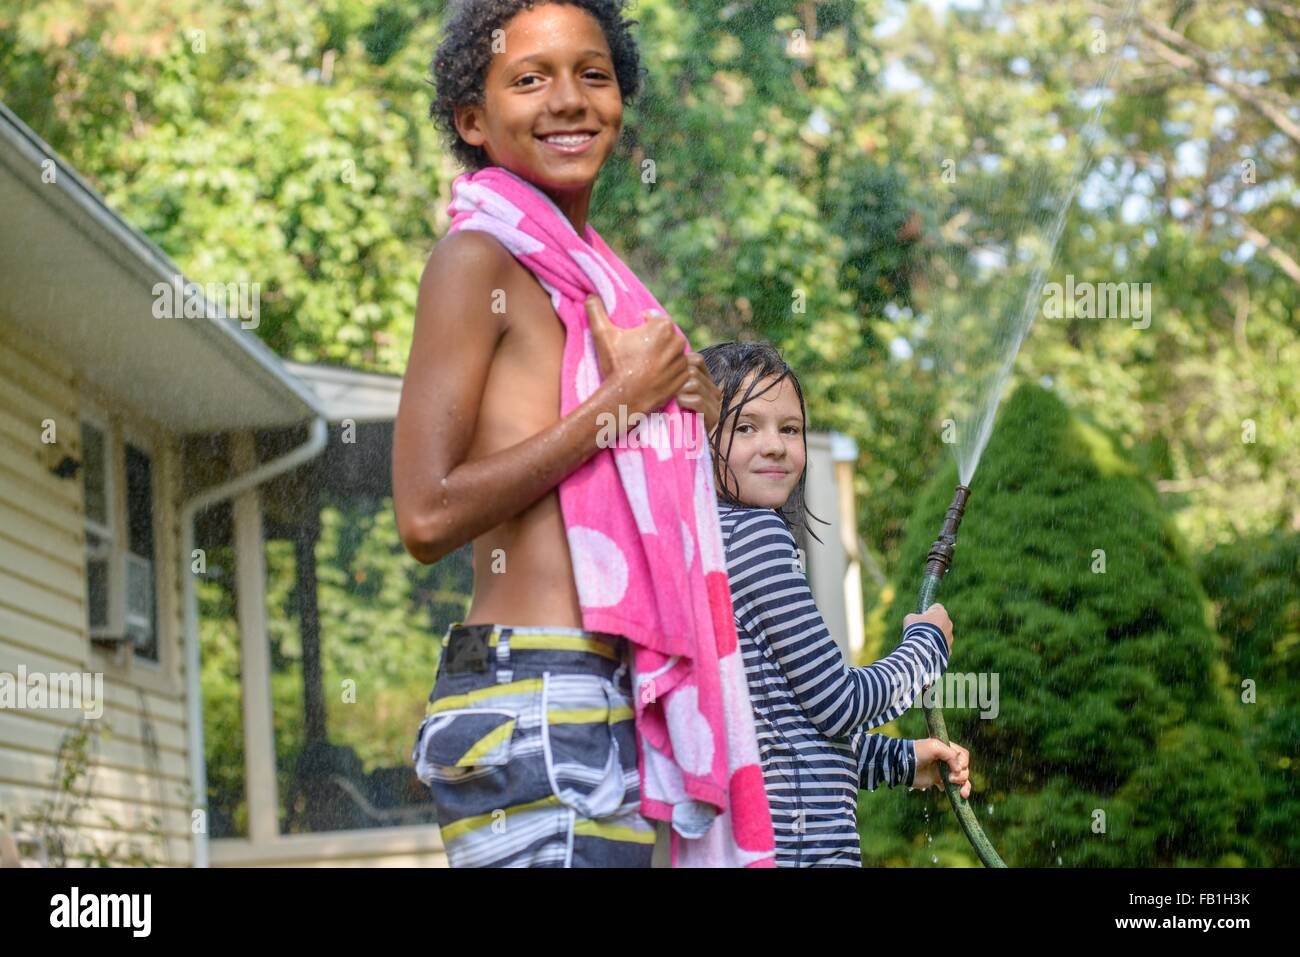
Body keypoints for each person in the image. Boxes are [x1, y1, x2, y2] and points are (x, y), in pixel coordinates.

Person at [392, 0, 723, 867]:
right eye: (528, 78)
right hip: (531, 689)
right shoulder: (477, 263)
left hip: (602, 691)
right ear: (473, 119)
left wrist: (689, 405)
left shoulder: (603, 291)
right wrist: (620, 403)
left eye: (593, 73)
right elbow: (425, 515)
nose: (569, 99)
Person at [698, 340, 975, 867]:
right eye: (746, 426)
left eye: (790, 428)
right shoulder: (756, 536)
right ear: (697, 439)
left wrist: (901, 758)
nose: (776, 445)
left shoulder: (709, 543)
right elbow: (840, 703)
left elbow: (790, 730)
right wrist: (928, 644)